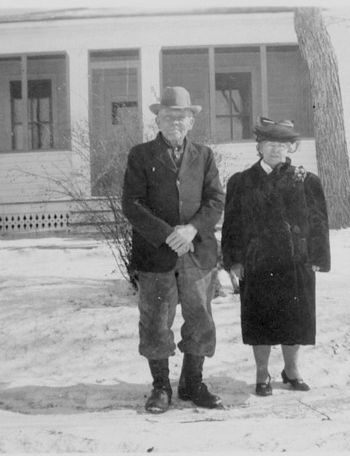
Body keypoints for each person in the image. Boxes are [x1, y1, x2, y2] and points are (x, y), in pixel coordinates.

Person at [122, 86, 225, 413]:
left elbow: (215, 200)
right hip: (157, 254)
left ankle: (192, 383)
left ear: (191, 121)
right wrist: (169, 235)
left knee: (200, 318)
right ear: (158, 119)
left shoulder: (205, 156)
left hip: (197, 253)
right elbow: (132, 204)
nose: (174, 122)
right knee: (155, 321)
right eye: (167, 116)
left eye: (181, 117)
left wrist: (192, 229)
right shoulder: (140, 155)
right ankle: (161, 386)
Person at [221, 117, 330, 397]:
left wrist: (318, 257)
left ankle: (292, 370)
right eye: (269, 144)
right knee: (261, 320)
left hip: (296, 262)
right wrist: (234, 260)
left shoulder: (307, 181)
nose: (275, 150)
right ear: (258, 147)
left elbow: (318, 222)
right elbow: (231, 224)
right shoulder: (241, 182)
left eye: (281, 145)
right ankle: (262, 372)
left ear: (290, 148)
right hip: (256, 262)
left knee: (294, 319)